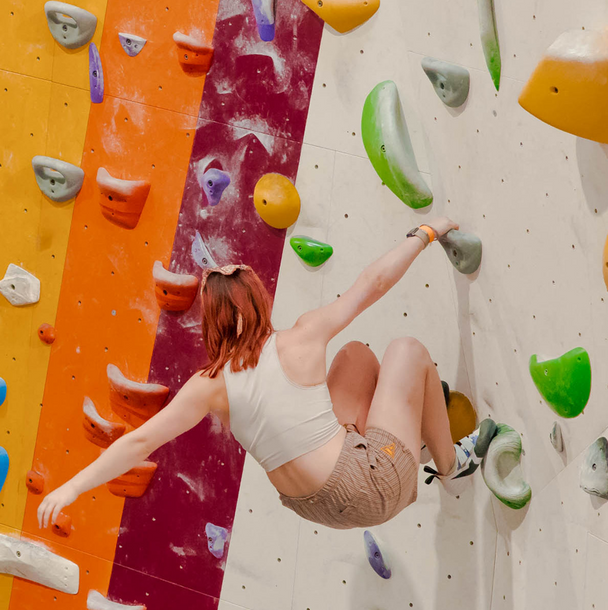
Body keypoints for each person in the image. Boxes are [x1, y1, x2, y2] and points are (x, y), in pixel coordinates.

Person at [38, 218, 493, 532]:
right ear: (258, 299)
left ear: (212, 320)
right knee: (407, 351)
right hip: (367, 488)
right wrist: (426, 232)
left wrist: (72, 487)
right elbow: (371, 284)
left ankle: (398, 439)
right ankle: (452, 467)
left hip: (315, 508)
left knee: (356, 357)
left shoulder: (208, 386)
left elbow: (139, 441)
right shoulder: (302, 336)